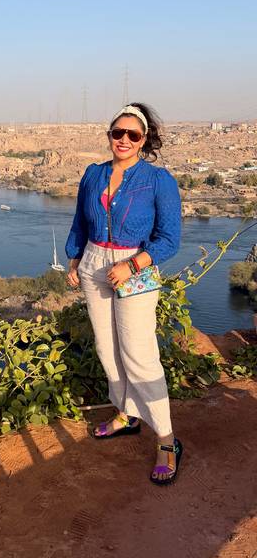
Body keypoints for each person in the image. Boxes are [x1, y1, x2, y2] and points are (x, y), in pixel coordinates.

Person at [65, 102, 183, 485]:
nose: (125, 140)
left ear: (144, 139)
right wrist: (74, 258)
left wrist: (131, 265)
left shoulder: (157, 180)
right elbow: (80, 221)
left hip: (135, 267)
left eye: (133, 134)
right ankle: (127, 414)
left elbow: (170, 239)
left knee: (140, 356)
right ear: (110, 135)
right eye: (119, 133)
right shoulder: (93, 174)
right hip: (94, 264)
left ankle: (167, 440)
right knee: (107, 350)